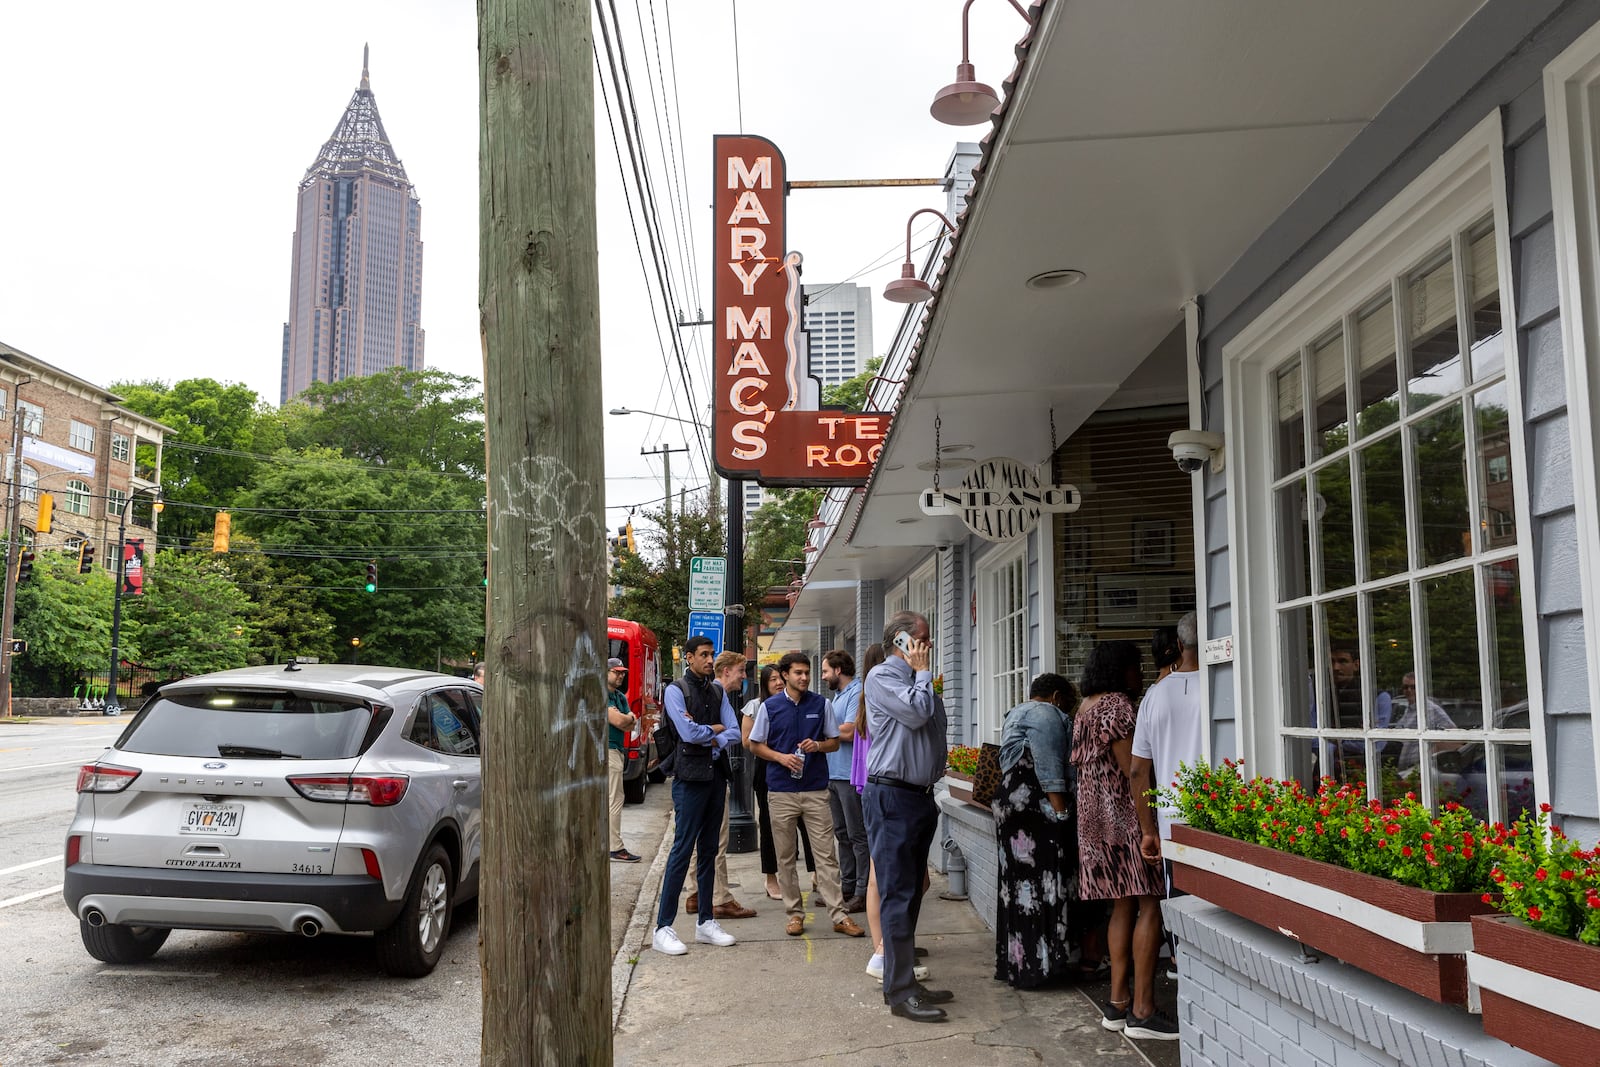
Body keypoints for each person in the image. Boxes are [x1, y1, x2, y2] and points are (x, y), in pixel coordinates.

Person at [1073, 640, 1176, 1041]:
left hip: (1093, 826)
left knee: (1121, 907)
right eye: (1135, 666)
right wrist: (1150, 826)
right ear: (1121, 669)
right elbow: (1133, 770)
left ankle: (1117, 1003)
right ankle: (1143, 1010)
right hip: (1125, 822)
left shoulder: (1085, 707)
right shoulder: (1117, 706)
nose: (1141, 673)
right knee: (1149, 904)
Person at [862, 611, 954, 1023]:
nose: (928, 645)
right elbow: (917, 714)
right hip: (892, 797)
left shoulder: (917, 681)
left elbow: (933, 730)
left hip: (918, 797)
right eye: (924, 638)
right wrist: (922, 676)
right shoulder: (883, 677)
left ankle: (906, 980)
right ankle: (899, 993)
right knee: (897, 895)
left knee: (912, 893)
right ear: (902, 640)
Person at [747, 652, 866, 940]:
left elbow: (835, 744)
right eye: (798, 673)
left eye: (807, 673)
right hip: (781, 792)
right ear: (785, 675)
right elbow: (754, 745)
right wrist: (780, 758)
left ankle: (839, 915)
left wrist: (818, 746)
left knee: (826, 855)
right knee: (785, 857)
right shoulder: (770, 707)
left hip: (815, 790)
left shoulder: (821, 704)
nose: (804, 677)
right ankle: (794, 915)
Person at [994, 671, 1092, 988]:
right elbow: (1049, 767)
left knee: (1018, 887)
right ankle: (1044, 966)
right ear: (1056, 697)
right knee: (1045, 882)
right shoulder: (1046, 714)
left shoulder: (1015, 713)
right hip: (1034, 808)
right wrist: (1063, 813)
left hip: (1010, 807)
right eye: (1068, 704)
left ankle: (1020, 964)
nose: (1069, 712)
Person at [651, 636, 741, 956]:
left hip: (715, 777)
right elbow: (686, 734)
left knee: (709, 851)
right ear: (689, 658)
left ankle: (705, 922)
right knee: (682, 850)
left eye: (711, 654)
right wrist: (714, 731)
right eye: (703, 655)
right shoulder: (677, 690)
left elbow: (735, 732)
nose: (709, 659)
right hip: (689, 780)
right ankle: (663, 927)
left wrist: (711, 734)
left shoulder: (716, 690)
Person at [683, 651, 758, 919]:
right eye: (741, 670)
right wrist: (715, 736)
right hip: (711, 773)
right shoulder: (717, 693)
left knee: (697, 839)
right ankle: (720, 897)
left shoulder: (703, 692)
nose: (744, 676)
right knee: (716, 839)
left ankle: (695, 894)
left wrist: (711, 737)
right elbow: (733, 733)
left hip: (697, 774)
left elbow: (722, 733)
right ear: (726, 671)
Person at [1132, 613, 1205, 879]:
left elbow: (1138, 771)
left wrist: (1148, 830)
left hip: (1171, 816)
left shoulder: (1153, 696)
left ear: (1179, 644)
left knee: (1179, 903)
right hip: (1219, 811)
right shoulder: (1221, 688)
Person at [742, 664, 816, 900]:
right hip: (769, 768)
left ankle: (816, 874)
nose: (777, 683)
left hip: (799, 764)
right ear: (764, 683)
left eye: (779, 678)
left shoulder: (801, 704)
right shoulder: (757, 706)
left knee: (807, 823)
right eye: (772, 679)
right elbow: (747, 741)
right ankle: (771, 878)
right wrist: (775, 751)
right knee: (769, 824)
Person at [822, 649, 869, 912]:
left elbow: (850, 731)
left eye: (826, 671)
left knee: (857, 835)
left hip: (850, 775)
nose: (824, 676)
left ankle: (862, 892)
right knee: (842, 835)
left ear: (838, 670)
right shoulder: (838, 696)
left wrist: (819, 727)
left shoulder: (857, 692)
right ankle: (847, 888)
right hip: (833, 773)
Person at [605, 658, 641, 863]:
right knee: (615, 799)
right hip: (609, 750)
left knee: (613, 798)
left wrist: (627, 719)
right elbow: (620, 721)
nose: (620, 676)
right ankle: (615, 847)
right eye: (616, 672)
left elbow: (629, 723)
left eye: (622, 672)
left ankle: (609, 844)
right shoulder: (603, 694)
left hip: (618, 750)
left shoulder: (619, 697)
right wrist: (626, 719)